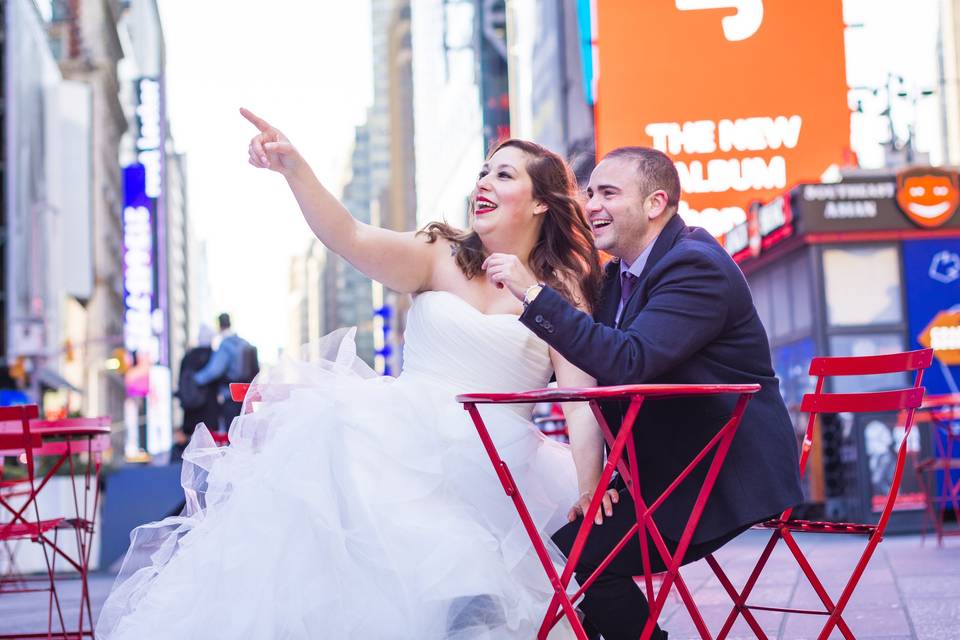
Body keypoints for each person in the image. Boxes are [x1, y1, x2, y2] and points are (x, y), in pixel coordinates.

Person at [97, 109, 613, 639]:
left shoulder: (563, 286)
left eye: (504, 174)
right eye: (483, 171)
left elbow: (579, 396)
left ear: (539, 203)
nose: (484, 181)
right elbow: (349, 235)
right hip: (401, 447)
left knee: (479, 598)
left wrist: (589, 479)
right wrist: (294, 169)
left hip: (503, 469)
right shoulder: (440, 255)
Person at [485, 146, 803, 640]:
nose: (591, 204)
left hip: (716, 481)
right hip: (659, 476)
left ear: (655, 204)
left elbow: (628, 360)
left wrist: (533, 294)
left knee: (572, 556)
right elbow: (595, 368)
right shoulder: (619, 278)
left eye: (608, 193)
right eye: (589, 192)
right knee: (569, 552)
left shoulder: (696, 266)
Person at [192, 313, 258, 431]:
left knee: (232, 433)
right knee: (244, 433)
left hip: (230, 396)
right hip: (246, 395)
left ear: (219, 325)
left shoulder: (226, 345)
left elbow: (214, 371)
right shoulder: (244, 343)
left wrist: (195, 379)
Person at [172, 325, 220, 461]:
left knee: (194, 442)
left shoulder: (188, 356)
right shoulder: (214, 356)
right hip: (210, 408)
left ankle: (191, 469)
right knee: (209, 442)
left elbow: (181, 381)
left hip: (191, 408)